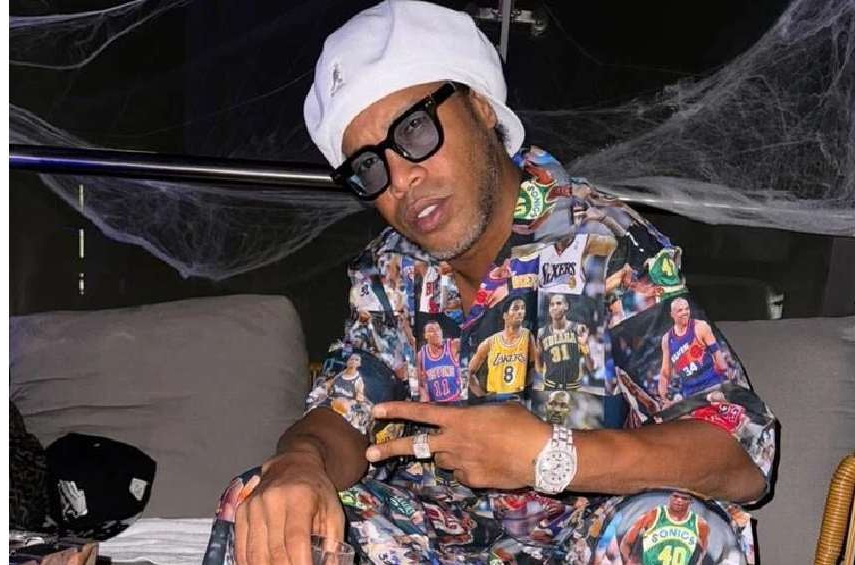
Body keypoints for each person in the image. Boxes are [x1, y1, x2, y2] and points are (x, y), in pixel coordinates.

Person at [202, 2, 775, 564]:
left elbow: (741, 454)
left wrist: (549, 455)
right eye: (370, 166)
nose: (400, 179)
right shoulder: (390, 272)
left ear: (480, 108)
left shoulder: (605, 244)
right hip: (436, 540)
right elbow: (344, 413)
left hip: (589, 540)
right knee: (273, 505)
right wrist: (302, 462)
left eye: (414, 129)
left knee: (673, 529)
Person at [658, 297, 729, 403]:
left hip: (709, 386)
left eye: (687, 309)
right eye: (680, 310)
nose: (685, 312)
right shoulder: (667, 339)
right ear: (672, 314)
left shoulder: (700, 326)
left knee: (718, 399)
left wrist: (723, 373)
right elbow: (665, 373)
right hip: (692, 393)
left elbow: (720, 362)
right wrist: (664, 398)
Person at [467, 296, 537, 397]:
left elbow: (535, 367)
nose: (520, 312)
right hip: (496, 399)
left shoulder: (528, 336)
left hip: (518, 398)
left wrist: (526, 388)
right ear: (505, 315)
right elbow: (469, 372)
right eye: (516, 308)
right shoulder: (490, 342)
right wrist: (482, 396)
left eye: (523, 308)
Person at [618, 491, 710, 565]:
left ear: (691, 501)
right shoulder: (654, 515)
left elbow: (703, 553)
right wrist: (629, 560)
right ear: (670, 496)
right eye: (676, 496)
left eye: (684, 498)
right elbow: (625, 543)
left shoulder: (700, 524)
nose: (679, 500)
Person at [537, 293, 594, 391]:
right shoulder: (541, 333)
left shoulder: (578, 330)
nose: (555, 307)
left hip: (572, 387)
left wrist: (585, 347)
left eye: (559, 303)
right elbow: (538, 367)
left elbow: (591, 367)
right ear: (549, 309)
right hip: (549, 387)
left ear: (566, 306)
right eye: (552, 304)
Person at [416, 319, 462, 403]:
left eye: (438, 329)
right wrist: (424, 394)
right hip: (436, 404)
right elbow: (418, 384)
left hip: (456, 400)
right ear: (425, 335)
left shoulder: (453, 345)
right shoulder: (421, 355)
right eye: (431, 330)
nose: (436, 333)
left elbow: (469, 341)